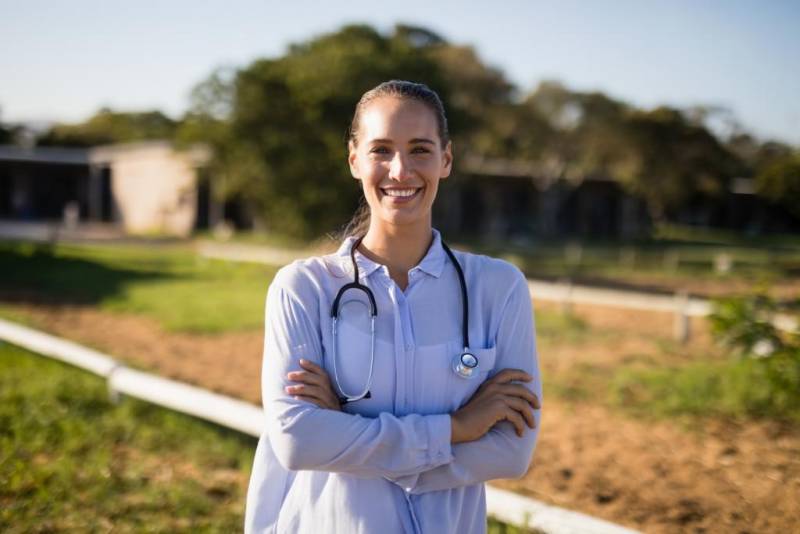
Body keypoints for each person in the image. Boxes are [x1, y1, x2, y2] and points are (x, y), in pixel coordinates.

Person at [245, 80, 541, 534]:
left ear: (446, 160)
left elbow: (512, 452)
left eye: (420, 149)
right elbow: (297, 440)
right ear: (354, 160)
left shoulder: (498, 288)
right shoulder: (303, 289)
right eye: (381, 149)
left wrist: (344, 431)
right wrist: (456, 429)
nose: (400, 170)